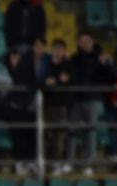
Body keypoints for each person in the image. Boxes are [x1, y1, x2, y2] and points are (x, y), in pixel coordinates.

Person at [66, 33, 115, 175]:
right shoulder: (75, 59)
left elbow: (113, 77)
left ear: (92, 41)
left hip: (94, 99)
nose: (84, 43)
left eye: (87, 40)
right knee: (71, 131)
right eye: (81, 41)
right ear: (78, 43)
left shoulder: (101, 57)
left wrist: (107, 64)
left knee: (91, 132)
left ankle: (88, 164)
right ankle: (69, 162)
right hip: (77, 99)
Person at [44, 39, 73, 172]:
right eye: (56, 48)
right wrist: (57, 80)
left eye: (61, 49)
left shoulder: (68, 65)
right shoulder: (45, 64)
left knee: (59, 136)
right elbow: (44, 81)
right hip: (45, 104)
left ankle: (56, 163)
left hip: (61, 105)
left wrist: (55, 81)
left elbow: (68, 81)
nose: (58, 51)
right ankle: (43, 162)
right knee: (43, 135)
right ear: (52, 50)